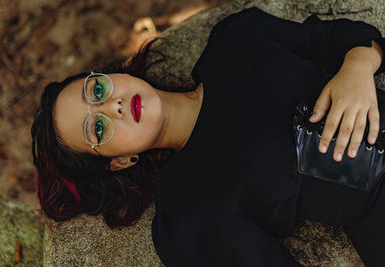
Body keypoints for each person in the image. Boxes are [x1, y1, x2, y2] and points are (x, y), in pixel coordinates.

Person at [31, 6, 385, 266]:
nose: (114, 107)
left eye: (96, 92)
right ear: (119, 161)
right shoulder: (186, 213)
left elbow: (341, 37)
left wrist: (357, 68)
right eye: (98, 128)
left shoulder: (235, 38)